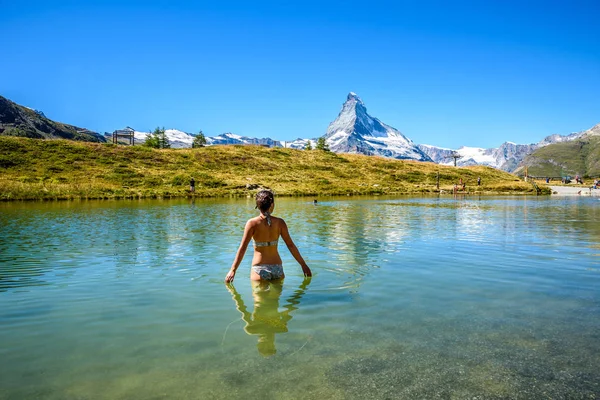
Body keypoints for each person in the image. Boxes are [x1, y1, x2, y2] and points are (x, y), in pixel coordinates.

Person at [225, 189, 312, 282]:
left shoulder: (252, 223)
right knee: (276, 297)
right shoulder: (280, 223)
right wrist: (303, 265)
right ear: (272, 205)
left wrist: (233, 270)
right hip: (277, 269)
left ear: (257, 206)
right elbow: (290, 245)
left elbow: (242, 248)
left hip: (259, 269)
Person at [225, 278, 311, 356]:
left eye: (263, 344)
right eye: (269, 344)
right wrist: (298, 296)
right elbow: (288, 310)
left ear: (258, 343)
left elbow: (243, 310)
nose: (266, 341)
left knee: (264, 287)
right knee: (270, 286)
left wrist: (234, 295)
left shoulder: (252, 329)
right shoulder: (279, 328)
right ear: (273, 343)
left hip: (262, 295)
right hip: (269, 296)